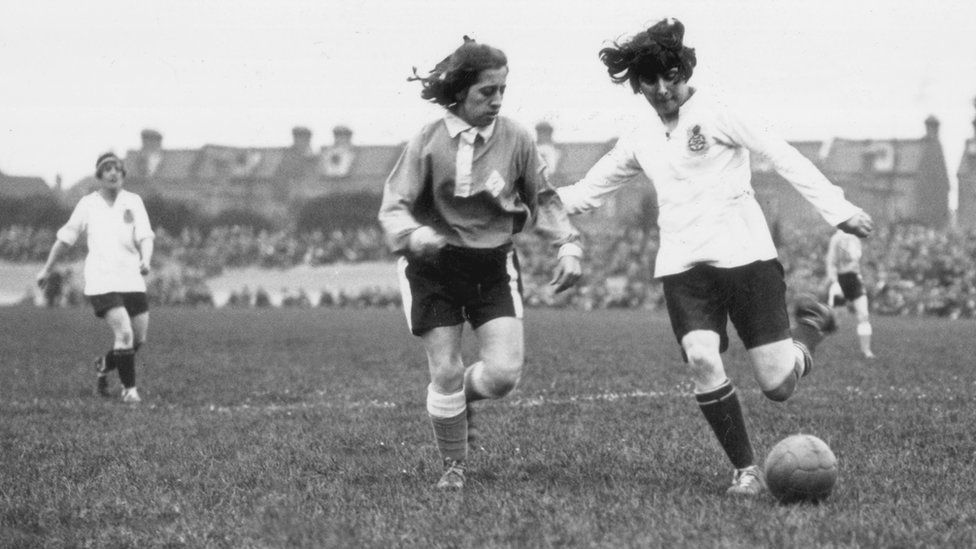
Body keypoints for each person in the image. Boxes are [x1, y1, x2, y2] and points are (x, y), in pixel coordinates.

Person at [556, 18, 874, 496]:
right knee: (702, 356)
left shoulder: (720, 112)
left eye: (672, 77)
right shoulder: (639, 135)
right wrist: (523, 203)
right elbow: (584, 193)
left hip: (746, 260)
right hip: (685, 270)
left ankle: (810, 331)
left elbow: (783, 155)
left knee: (778, 385)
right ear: (637, 84)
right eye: (650, 81)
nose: (663, 89)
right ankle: (746, 469)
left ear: (686, 71)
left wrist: (840, 211)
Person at [378, 37, 583, 490]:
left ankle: (460, 399)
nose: (496, 101)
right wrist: (414, 234)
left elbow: (543, 198)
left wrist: (567, 244)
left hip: (492, 265)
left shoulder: (517, 138)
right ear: (459, 94)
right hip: (432, 266)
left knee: (503, 376)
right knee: (445, 369)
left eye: (502, 91)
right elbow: (394, 205)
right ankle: (454, 465)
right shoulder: (428, 141)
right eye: (485, 92)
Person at [37, 152, 155, 404]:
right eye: (107, 169)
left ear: (123, 175)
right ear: (99, 176)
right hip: (101, 279)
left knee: (138, 339)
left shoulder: (133, 201)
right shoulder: (87, 204)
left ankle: (104, 364)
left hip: (131, 277)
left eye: (117, 168)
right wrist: (46, 269)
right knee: (123, 334)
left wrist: (146, 259)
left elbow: (145, 235)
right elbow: (65, 238)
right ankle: (129, 390)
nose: (113, 172)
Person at [825, 228, 876, 359]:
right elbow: (831, 262)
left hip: (854, 279)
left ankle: (866, 350)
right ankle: (823, 347)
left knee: (864, 314)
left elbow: (857, 260)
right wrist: (835, 282)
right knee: (836, 318)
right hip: (840, 279)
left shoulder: (855, 238)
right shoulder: (836, 238)